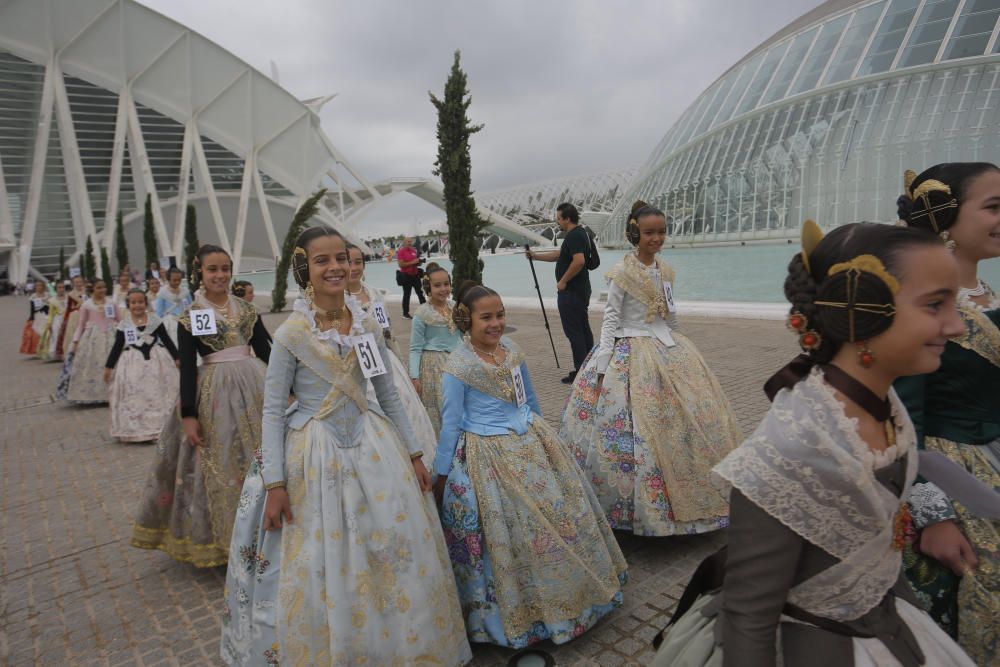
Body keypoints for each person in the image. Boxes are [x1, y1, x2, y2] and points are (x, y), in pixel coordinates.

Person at [651, 221, 976, 667]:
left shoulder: (883, 405)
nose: (956, 326)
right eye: (936, 304)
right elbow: (750, 615)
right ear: (859, 311)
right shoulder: (791, 451)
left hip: (886, 615)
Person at [221, 227, 471, 666]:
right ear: (305, 269)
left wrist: (414, 453)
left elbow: (387, 393)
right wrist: (275, 483)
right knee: (324, 558)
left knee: (390, 547)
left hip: (374, 446)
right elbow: (272, 410)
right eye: (322, 260)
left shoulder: (368, 325)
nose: (335, 267)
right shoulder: (291, 335)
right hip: (314, 453)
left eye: (341, 258)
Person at [433, 281, 628, 648]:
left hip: (531, 442)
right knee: (513, 532)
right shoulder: (457, 366)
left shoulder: (512, 351)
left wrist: (545, 435)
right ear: (466, 320)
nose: (495, 323)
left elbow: (529, 398)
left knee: (560, 517)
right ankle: (523, 613)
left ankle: (576, 595)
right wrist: (441, 473)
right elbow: (451, 422)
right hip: (487, 453)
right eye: (486, 317)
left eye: (501, 315)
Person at [560, 202, 742, 535]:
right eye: (649, 233)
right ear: (635, 234)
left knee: (681, 422)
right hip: (628, 349)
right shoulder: (621, 273)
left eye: (661, 232)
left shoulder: (666, 271)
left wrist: (681, 351)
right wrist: (602, 360)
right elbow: (612, 317)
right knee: (633, 425)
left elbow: (670, 315)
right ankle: (631, 506)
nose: (656, 238)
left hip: (664, 346)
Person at [893, 162, 1000, 663]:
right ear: (945, 217)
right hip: (955, 472)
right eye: (994, 206)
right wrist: (933, 514)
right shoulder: (926, 306)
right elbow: (901, 415)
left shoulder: (985, 296)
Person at [130, 244, 270, 567]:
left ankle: (267, 530)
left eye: (225, 268)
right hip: (215, 394)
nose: (220, 275)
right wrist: (189, 415)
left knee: (261, 457)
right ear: (201, 273)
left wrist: (288, 389)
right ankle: (229, 539)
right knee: (223, 463)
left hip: (255, 388)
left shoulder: (247, 310)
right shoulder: (192, 315)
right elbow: (190, 368)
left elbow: (264, 350)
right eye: (213, 270)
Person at [345, 243, 437, 459]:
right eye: (348, 262)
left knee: (405, 409)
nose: (354, 267)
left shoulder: (375, 294)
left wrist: (401, 363)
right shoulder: (335, 299)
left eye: (358, 262)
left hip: (385, 361)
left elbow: (387, 333)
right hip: (355, 367)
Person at [526, 202, 595, 383]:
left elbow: (579, 261)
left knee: (575, 332)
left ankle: (581, 371)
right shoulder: (580, 234)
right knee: (583, 329)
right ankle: (590, 367)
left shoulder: (574, 236)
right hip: (580, 291)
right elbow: (560, 255)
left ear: (567, 218)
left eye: (558, 218)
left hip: (572, 292)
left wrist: (563, 281)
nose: (557, 222)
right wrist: (536, 256)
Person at [103, 288, 180, 443]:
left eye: (140, 302)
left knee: (157, 392)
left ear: (145, 303)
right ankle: (136, 430)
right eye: (133, 302)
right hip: (132, 364)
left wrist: (177, 358)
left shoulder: (155, 320)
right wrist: (108, 367)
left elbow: (167, 340)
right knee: (135, 394)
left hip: (156, 362)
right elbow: (117, 346)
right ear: (128, 305)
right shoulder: (124, 325)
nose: (137, 305)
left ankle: (159, 427)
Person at [409, 263, 463, 435]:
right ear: (428, 287)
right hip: (434, 366)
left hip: (458, 363)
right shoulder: (422, 314)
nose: (443, 289)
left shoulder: (456, 307)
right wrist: (414, 377)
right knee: (442, 407)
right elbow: (415, 348)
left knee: (462, 404)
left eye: (446, 284)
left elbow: (463, 336)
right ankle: (444, 445)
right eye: (437, 285)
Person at [65, 279, 119, 404]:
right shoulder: (87, 305)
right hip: (92, 339)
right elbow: (81, 325)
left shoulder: (111, 303)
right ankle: (96, 394)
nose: (102, 290)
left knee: (112, 363)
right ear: (92, 290)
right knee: (95, 364)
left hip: (111, 336)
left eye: (104, 287)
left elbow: (120, 320)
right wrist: (75, 341)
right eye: (99, 288)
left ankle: (114, 392)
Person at [154, 266, 192, 345]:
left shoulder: (185, 292)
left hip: (185, 321)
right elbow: (159, 312)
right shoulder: (162, 293)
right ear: (168, 279)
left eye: (179, 280)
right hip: (170, 322)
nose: (177, 282)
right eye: (174, 280)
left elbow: (191, 307)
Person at [55, 275, 86, 359]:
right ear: (73, 283)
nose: (79, 284)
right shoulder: (71, 294)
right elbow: (69, 308)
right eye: (76, 282)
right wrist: (65, 319)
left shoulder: (87, 292)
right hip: (76, 317)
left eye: (80, 282)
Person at [38, 281, 68, 361]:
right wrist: (49, 324)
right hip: (57, 320)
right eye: (59, 287)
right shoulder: (52, 300)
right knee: (56, 336)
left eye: (63, 287)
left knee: (67, 336)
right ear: (56, 289)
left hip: (67, 319)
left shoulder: (69, 298)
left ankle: (66, 352)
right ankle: (58, 354)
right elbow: (50, 314)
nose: (61, 289)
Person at [396, 236, 425, 319]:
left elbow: (415, 262)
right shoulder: (401, 252)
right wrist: (413, 262)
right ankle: (405, 314)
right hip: (406, 276)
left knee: (420, 293)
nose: (410, 243)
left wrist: (419, 262)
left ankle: (425, 311)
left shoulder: (413, 251)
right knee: (407, 295)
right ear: (404, 242)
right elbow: (401, 264)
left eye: (410, 241)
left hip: (415, 275)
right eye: (408, 241)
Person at [20, 281, 49, 355]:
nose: (39, 287)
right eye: (37, 286)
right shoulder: (33, 296)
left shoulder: (48, 296)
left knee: (46, 334)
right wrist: (31, 318)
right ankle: (37, 349)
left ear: (43, 286)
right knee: (35, 335)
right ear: (35, 287)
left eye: (41, 285)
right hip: (37, 317)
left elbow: (50, 308)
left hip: (46, 316)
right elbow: (32, 309)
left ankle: (45, 349)